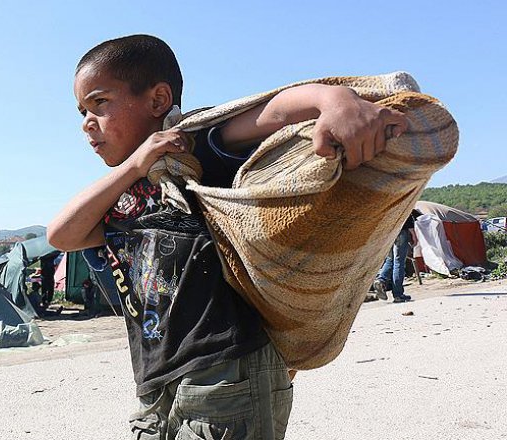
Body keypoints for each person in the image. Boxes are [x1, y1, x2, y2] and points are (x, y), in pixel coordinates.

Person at [47, 35, 406, 440]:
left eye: (100, 103)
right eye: (81, 111)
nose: (87, 122)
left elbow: (270, 114)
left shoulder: (192, 151)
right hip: (154, 381)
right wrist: (134, 166)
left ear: (157, 99)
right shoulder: (120, 197)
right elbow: (61, 233)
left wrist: (334, 100)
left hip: (227, 371)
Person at [373, 210, 420, 303]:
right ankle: (398, 295)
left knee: (390, 259)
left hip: (387, 232)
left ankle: (381, 279)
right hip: (401, 231)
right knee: (399, 262)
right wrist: (413, 233)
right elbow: (406, 213)